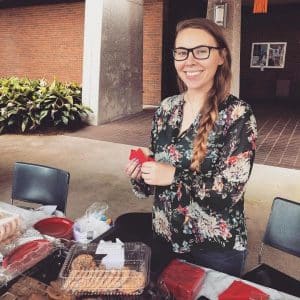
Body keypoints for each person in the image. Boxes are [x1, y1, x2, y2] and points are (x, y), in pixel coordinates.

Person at [125, 18, 257, 277]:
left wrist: (172, 175)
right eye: (182, 52)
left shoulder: (237, 115)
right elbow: (155, 178)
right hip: (164, 237)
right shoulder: (166, 108)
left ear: (221, 56)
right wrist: (141, 175)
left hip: (214, 249)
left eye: (201, 51)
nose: (189, 61)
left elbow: (228, 194)